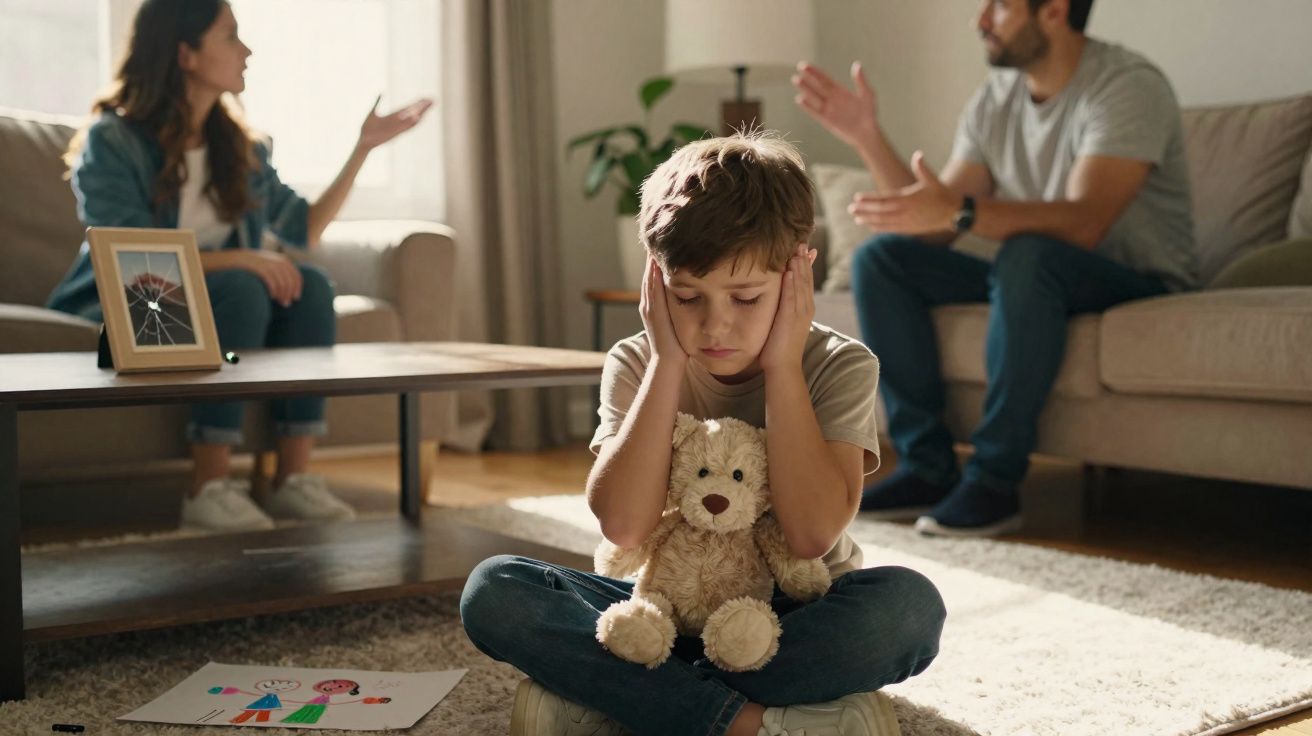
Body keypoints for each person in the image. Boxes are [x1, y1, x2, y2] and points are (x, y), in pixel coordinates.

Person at [460, 132, 945, 736]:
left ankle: (622, 701)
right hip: (658, 614)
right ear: (656, 282)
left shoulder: (839, 364)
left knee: (908, 609)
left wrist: (782, 367)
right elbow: (626, 528)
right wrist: (667, 364)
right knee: (495, 589)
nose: (715, 325)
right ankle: (751, 721)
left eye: (745, 298)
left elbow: (811, 532)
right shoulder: (638, 362)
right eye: (688, 296)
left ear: (797, 271)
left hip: (789, 617)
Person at [793, 0, 1196, 537]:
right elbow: (934, 222)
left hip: (1132, 280)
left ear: (1053, 10)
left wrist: (960, 210)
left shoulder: (1127, 86)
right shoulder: (997, 99)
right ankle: (926, 466)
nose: (979, 20)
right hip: (1029, 274)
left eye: (999, 6)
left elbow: (1086, 223)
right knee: (882, 259)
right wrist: (867, 135)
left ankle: (995, 479)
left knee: (1027, 254)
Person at [45, 0, 433, 532]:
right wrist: (245, 259)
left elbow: (305, 228)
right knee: (243, 287)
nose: (246, 51)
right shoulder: (111, 141)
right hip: (133, 305)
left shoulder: (241, 149)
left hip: (218, 303)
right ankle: (207, 488)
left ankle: (293, 480)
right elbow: (132, 253)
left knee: (312, 287)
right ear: (185, 53)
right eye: (230, 36)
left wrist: (363, 148)